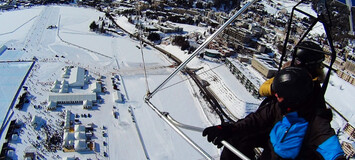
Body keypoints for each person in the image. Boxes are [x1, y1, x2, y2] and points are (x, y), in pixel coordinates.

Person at [203, 67, 345, 160]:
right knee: (237, 139)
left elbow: (331, 148)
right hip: (270, 153)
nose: (275, 96)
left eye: (279, 95)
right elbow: (255, 120)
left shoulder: (315, 122)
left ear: (293, 98)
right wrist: (229, 129)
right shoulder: (279, 108)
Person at [259, 40, 326, 97]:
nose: (294, 63)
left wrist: (277, 86)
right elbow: (262, 89)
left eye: (297, 61)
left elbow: (262, 90)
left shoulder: (295, 81)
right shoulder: (314, 87)